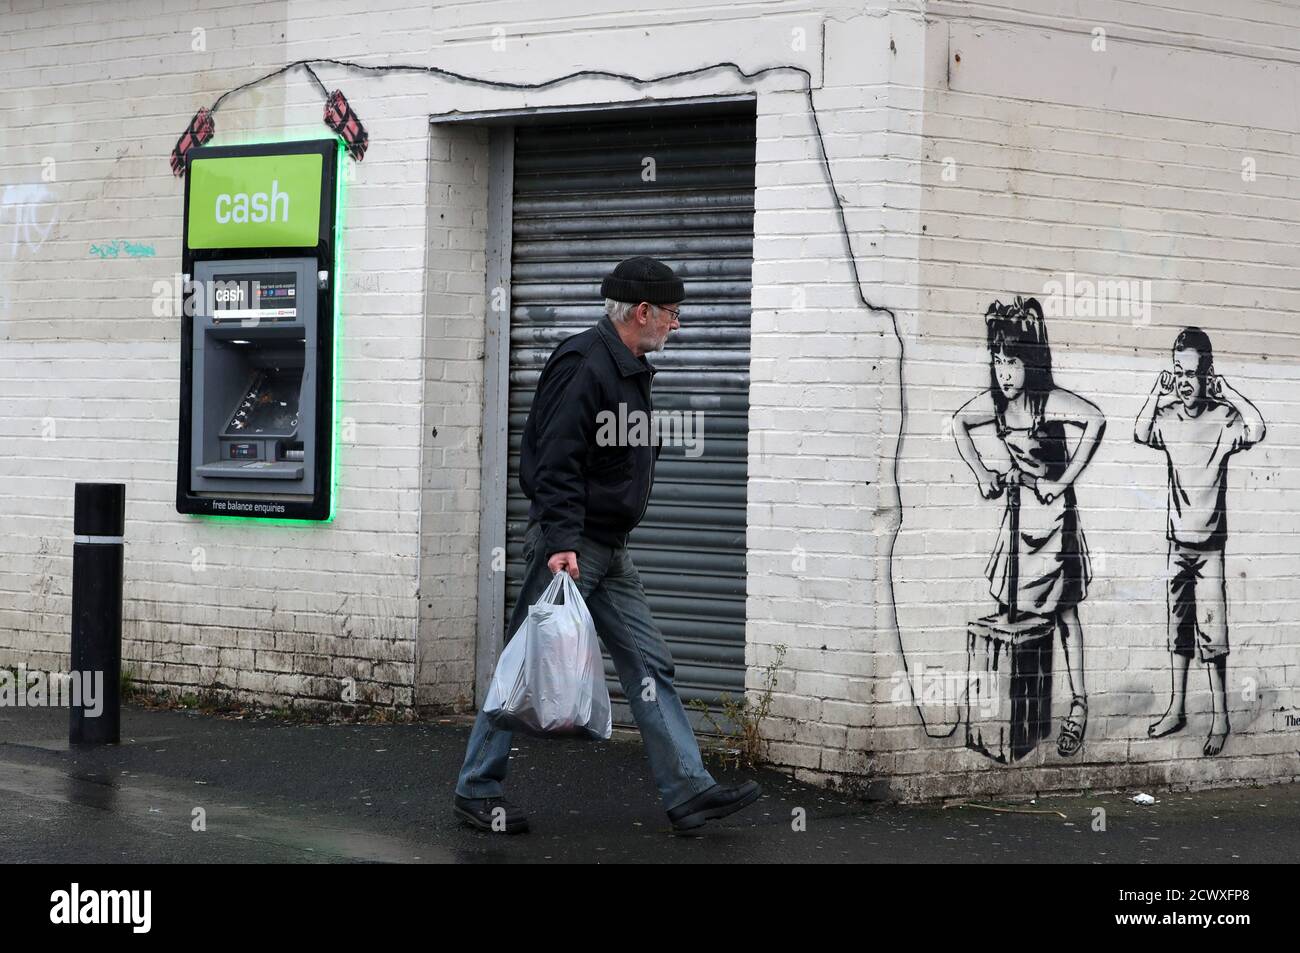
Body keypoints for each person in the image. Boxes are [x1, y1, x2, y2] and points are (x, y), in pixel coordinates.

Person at [453, 256, 761, 833]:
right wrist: (562, 539)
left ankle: (688, 790)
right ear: (642, 311)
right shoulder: (585, 363)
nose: (677, 324)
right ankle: (476, 788)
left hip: (607, 546)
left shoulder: (628, 365)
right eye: (672, 313)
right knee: (525, 663)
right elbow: (556, 458)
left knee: (650, 663)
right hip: (571, 544)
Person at [953, 297, 1106, 757]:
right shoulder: (999, 405)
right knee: (1008, 606)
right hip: (1019, 517)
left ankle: (1078, 705)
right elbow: (959, 421)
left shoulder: (1047, 400)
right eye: (998, 360)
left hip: (1054, 520)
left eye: (1013, 361)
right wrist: (984, 474)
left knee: (1063, 612)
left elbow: (1095, 419)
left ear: (1031, 363)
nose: (1004, 371)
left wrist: (1062, 482)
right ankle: (1016, 712)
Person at [1134, 327, 1265, 756]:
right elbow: (1139, 432)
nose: (1185, 382)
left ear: (1207, 373)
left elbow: (1258, 429)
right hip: (1178, 544)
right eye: (1179, 373)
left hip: (1210, 548)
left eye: (1193, 373)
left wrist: (1229, 393)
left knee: (1214, 635)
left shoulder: (1224, 419)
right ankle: (1177, 708)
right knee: (1178, 630)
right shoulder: (1168, 417)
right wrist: (1157, 391)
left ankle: (1221, 718)